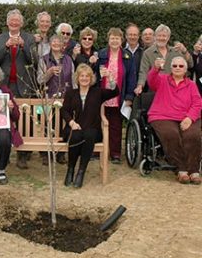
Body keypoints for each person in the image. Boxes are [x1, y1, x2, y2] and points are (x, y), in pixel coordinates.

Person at [0, 9, 37, 169]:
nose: (14, 23)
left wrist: (24, 47)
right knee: (2, 120)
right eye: (12, 20)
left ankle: (22, 155)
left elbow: (35, 61)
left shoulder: (29, 38)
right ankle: (2, 155)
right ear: (7, 22)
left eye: (17, 20)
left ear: (22, 23)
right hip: (4, 85)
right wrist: (5, 47)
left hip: (23, 85)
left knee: (23, 121)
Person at [61, 64, 119, 188]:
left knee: (89, 135)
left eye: (87, 76)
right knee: (76, 136)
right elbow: (64, 110)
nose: (84, 78)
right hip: (75, 127)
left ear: (91, 78)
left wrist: (110, 78)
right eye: (82, 76)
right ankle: (70, 169)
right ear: (77, 78)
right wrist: (71, 122)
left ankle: (81, 172)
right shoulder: (71, 93)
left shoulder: (97, 92)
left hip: (92, 129)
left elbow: (115, 92)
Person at [148, 56, 202, 184]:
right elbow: (151, 81)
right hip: (162, 115)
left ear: (186, 69)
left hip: (186, 116)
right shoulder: (162, 79)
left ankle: (194, 170)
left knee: (193, 135)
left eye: (181, 66)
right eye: (175, 66)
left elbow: (197, 103)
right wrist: (155, 68)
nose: (178, 68)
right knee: (171, 134)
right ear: (170, 68)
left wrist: (190, 117)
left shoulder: (192, 85)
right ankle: (181, 169)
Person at [98, 28, 136, 163]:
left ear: (121, 40)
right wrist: (99, 75)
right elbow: (92, 74)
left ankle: (115, 154)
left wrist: (130, 96)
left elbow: (131, 77)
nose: (114, 41)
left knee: (116, 125)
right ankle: (100, 151)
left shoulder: (127, 56)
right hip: (102, 95)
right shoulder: (101, 54)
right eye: (112, 38)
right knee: (99, 123)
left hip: (119, 96)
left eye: (117, 38)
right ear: (108, 40)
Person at [37, 34, 76, 165]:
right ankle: (46, 154)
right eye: (53, 42)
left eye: (58, 42)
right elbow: (39, 80)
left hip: (66, 98)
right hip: (48, 98)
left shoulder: (69, 60)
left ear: (63, 45)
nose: (56, 44)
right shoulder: (44, 59)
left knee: (64, 126)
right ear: (50, 44)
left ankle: (60, 153)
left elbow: (73, 80)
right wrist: (49, 72)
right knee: (48, 126)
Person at [135, 24, 193, 95]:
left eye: (164, 36)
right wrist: (140, 86)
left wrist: (184, 51)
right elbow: (143, 72)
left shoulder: (176, 51)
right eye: (159, 35)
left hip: (175, 90)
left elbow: (190, 64)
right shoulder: (148, 53)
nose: (161, 38)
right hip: (156, 91)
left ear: (168, 37)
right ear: (155, 37)